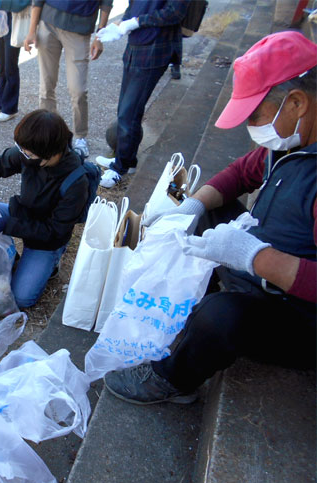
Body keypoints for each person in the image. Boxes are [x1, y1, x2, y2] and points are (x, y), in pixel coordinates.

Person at [103, 31, 317, 405]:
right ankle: (202, 304)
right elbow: (240, 174)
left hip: (300, 311)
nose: (252, 128)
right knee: (212, 209)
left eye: (255, 115)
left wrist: (255, 257)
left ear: (296, 103)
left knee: (220, 317)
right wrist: (195, 205)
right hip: (266, 269)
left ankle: (172, 380)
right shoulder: (292, 141)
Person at [0, 109, 98, 308]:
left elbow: (55, 231)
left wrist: (7, 225)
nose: (23, 155)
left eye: (28, 154)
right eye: (21, 150)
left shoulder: (75, 182)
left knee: (22, 298)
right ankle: (8, 254)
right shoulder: (29, 153)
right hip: (21, 214)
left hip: (47, 239)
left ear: (50, 154)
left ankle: (51, 263)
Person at [94, 0, 188, 188]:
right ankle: (127, 161)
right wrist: (121, 25)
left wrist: (135, 22)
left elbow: (175, 12)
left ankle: (119, 168)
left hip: (155, 49)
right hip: (136, 47)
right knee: (126, 110)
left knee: (129, 112)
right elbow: (133, 5)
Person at [23, 0, 112, 157]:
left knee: (78, 90)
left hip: (80, 29)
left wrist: (99, 37)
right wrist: (32, 30)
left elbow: (106, 2)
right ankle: (47, 134)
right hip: (48, 23)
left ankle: (80, 136)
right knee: (46, 86)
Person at [0, 0, 32, 122]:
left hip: (14, 16)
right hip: (1, 14)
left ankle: (10, 108)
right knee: (1, 65)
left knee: (10, 65)